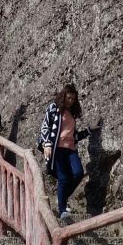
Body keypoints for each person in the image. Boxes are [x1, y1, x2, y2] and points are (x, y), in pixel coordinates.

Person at [38, 83, 98, 224]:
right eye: (69, 98)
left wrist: (89, 130)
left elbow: (74, 136)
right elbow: (45, 127)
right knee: (64, 178)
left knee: (78, 173)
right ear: (63, 96)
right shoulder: (54, 108)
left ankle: (62, 198)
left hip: (70, 149)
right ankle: (62, 210)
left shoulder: (71, 114)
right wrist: (47, 144)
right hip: (57, 148)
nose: (71, 101)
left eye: (73, 99)